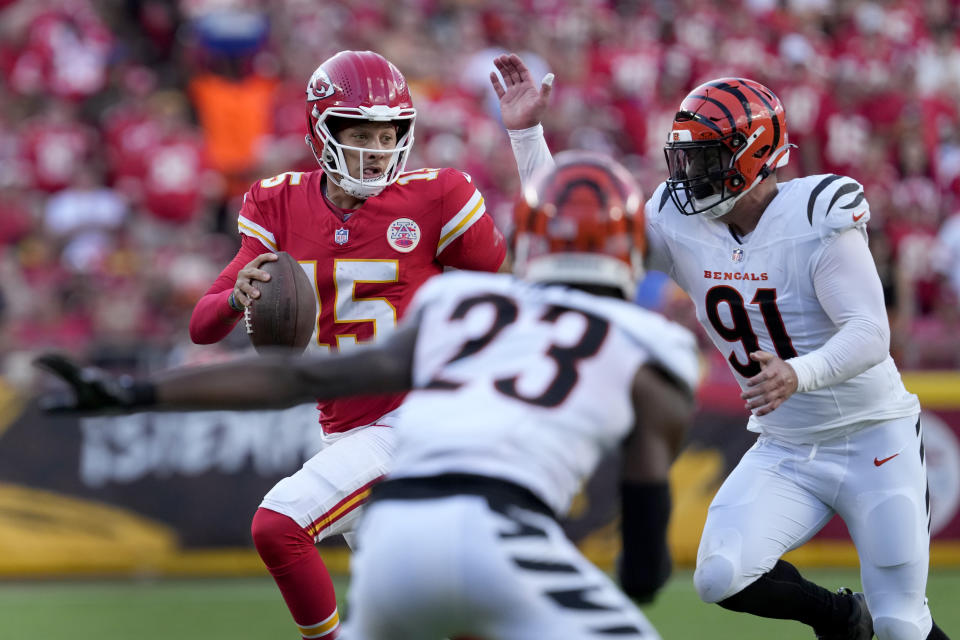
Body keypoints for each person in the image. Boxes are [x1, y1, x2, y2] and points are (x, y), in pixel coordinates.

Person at [36, 152, 700, 639]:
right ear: (630, 246)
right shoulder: (653, 347)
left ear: (530, 235)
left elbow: (296, 376)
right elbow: (643, 574)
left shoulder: (457, 305)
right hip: (504, 530)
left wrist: (137, 390)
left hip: (399, 539)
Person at [491, 53, 952, 640]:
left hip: (874, 434)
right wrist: (526, 133)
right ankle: (840, 618)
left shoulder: (816, 215)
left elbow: (870, 332)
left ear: (754, 155)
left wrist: (798, 374)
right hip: (787, 445)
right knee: (720, 576)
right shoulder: (678, 221)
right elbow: (580, 228)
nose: (687, 174)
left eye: (704, 158)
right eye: (683, 157)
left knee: (903, 626)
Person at [187, 50, 507, 639]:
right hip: (343, 426)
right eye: (360, 132)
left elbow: (528, 273)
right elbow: (203, 325)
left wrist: (528, 136)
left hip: (413, 421)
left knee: (278, 525)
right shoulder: (277, 202)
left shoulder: (437, 195)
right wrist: (239, 297)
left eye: (387, 135)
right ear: (321, 129)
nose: (377, 149)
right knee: (431, 615)